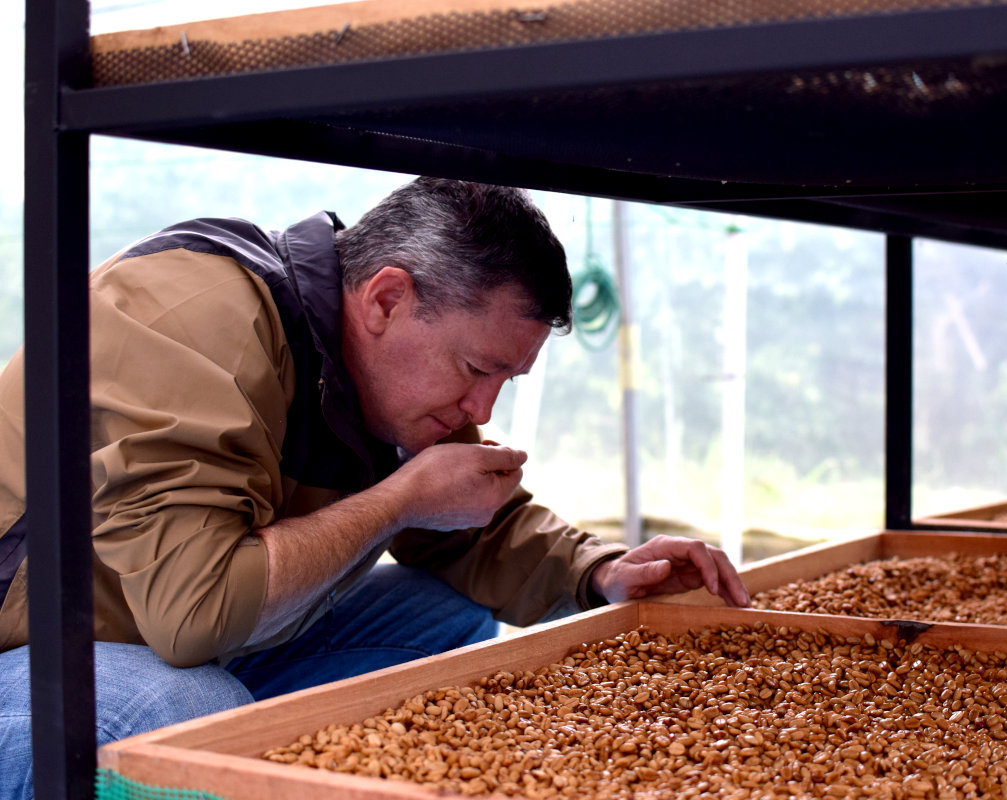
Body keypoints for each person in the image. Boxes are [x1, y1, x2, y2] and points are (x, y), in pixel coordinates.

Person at [0, 177, 749, 799]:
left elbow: (467, 523)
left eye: (506, 381)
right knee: (187, 710)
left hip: (165, 629)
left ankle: (267, 771)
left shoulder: (374, 366)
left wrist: (602, 571)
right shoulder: (193, 320)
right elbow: (197, 612)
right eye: (476, 369)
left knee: (446, 614)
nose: (484, 411)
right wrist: (399, 500)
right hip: (39, 644)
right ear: (387, 299)